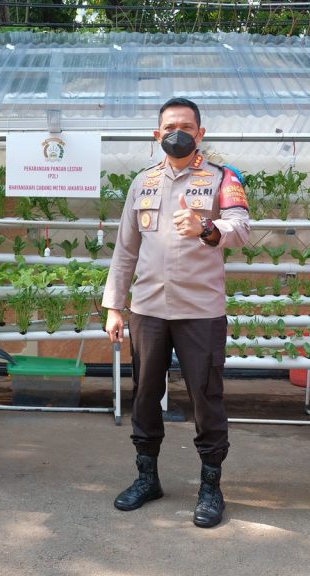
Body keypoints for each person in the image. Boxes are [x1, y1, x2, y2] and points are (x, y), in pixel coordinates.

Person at [103, 97, 250, 528]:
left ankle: (211, 486)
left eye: (186, 126)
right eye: (169, 127)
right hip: (148, 309)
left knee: (206, 397)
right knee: (145, 394)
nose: (177, 133)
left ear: (200, 133)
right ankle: (147, 478)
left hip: (200, 310)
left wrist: (207, 228)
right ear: (157, 134)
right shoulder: (142, 183)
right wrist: (114, 306)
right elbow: (125, 249)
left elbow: (242, 229)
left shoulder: (223, 178)